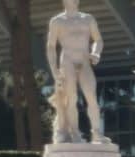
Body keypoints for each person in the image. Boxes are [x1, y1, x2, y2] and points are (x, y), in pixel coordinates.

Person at [46, 0, 110, 144]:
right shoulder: (57, 21)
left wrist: (96, 53)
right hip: (67, 61)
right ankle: (74, 133)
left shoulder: (88, 18)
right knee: (72, 98)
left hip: (84, 60)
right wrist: (54, 70)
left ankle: (97, 133)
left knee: (92, 98)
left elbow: (98, 39)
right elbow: (51, 46)